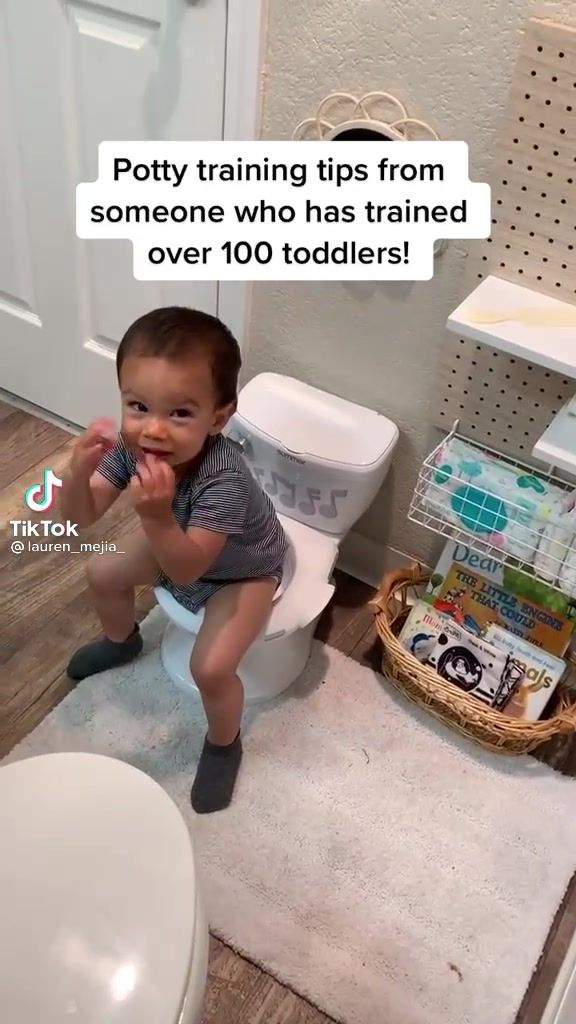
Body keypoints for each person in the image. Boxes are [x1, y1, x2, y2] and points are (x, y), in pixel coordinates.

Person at [59, 306, 288, 814]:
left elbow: (187, 570)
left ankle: (224, 744)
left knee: (210, 667)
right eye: (138, 406)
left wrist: (158, 518)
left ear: (219, 416)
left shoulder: (222, 477)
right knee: (100, 571)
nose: (154, 430)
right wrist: (76, 474)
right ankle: (121, 642)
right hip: (178, 537)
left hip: (243, 570)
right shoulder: (133, 447)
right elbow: (82, 515)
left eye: (179, 413)